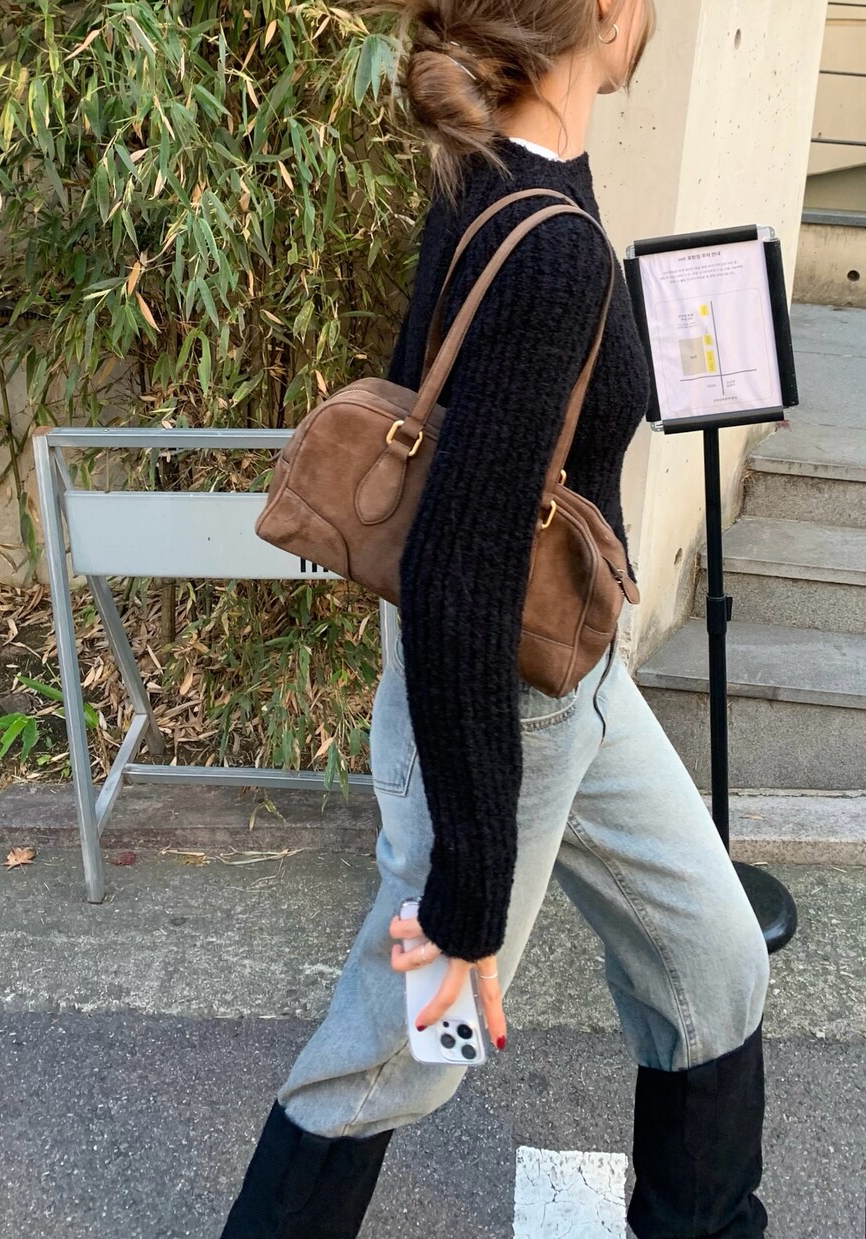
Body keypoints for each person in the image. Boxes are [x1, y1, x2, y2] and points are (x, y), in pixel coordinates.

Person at [220, 0, 772, 1235]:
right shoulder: (548, 246)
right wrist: (469, 875)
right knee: (404, 1053)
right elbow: (458, 571)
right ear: (609, 14)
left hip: (571, 673)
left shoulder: (514, 173)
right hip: (492, 709)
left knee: (714, 960)